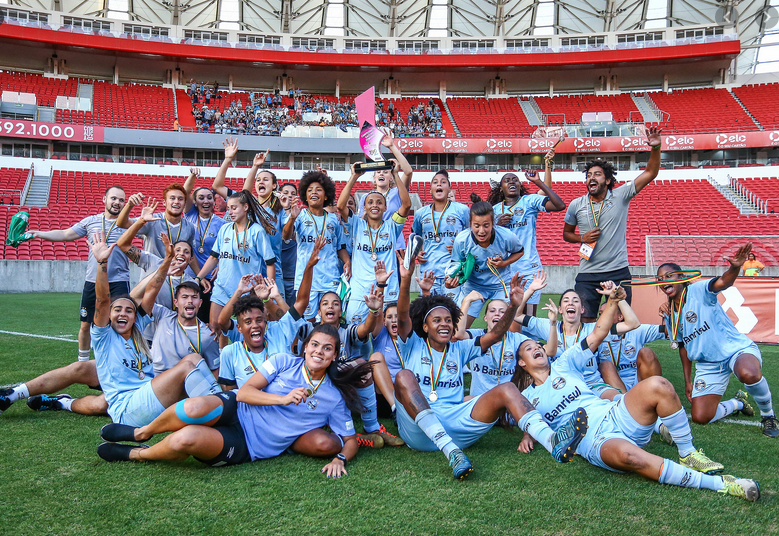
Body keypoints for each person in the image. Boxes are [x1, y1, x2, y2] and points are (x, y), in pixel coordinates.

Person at [513, 283, 760, 502]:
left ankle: (688, 453)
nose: (537, 347)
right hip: (594, 440)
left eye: (538, 345)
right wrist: (528, 434)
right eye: (530, 347)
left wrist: (613, 300)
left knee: (659, 384)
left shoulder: (564, 362)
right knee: (630, 456)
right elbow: (531, 422)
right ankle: (721, 484)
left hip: (612, 413)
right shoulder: (526, 398)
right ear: (522, 363)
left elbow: (600, 331)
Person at [393, 253, 589, 479]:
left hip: (456, 423)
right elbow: (403, 314)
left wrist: (514, 305)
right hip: (419, 431)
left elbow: (495, 335)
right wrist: (406, 278)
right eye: (437, 321)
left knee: (507, 389)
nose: (445, 324)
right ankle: (451, 452)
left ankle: (551, 440)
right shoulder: (413, 344)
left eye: (448, 320)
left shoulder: (461, 348)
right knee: (404, 376)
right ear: (425, 327)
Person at [97, 324, 369, 478]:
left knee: (185, 439)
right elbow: (244, 392)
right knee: (193, 407)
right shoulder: (285, 361)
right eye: (315, 345)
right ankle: (142, 432)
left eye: (327, 348)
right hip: (238, 408)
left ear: (334, 356)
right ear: (305, 346)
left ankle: (137, 454)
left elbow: (350, 439)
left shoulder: (333, 398)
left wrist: (340, 459)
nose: (319, 351)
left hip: (250, 445)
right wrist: (283, 398)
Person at [87, 231, 221, 428]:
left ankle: (63, 402)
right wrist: (102, 264)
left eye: (193, 298)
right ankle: (221, 409)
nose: (189, 302)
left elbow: (146, 296)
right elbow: (117, 298)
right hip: (138, 400)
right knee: (83, 371)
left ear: (201, 303)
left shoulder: (205, 333)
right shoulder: (108, 332)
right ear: (175, 302)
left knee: (192, 361)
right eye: (184, 297)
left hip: (150, 388)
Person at [658, 243, 778, 437]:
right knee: (701, 416)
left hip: (734, 350)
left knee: (748, 373)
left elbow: (723, 282)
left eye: (668, 276)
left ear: (681, 277)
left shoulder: (698, 290)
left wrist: (736, 267)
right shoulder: (669, 314)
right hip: (708, 365)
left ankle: (768, 415)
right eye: (660, 279)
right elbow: (682, 347)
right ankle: (739, 403)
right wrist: (688, 381)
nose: (664, 281)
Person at [295, 264, 404, 449]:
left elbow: (365, 328)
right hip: (315, 387)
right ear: (319, 312)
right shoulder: (308, 330)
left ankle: (372, 428)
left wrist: (373, 311)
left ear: (341, 312)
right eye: (325, 303)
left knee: (363, 366)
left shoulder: (346, 331)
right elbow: (289, 322)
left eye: (336, 304)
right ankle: (358, 436)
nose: (331, 306)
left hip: (344, 387)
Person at [562, 126, 662, 321]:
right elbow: (567, 234)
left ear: (607, 180)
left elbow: (650, 172)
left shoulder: (621, 196)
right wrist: (582, 238)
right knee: (584, 323)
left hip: (617, 271)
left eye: (597, 174)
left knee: (619, 322)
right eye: (589, 175)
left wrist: (656, 148)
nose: (591, 177)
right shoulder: (576, 204)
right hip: (587, 273)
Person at [25, 185, 131, 362]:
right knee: (85, 325)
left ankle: (118, 361)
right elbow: (66, 234)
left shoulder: (129, 223)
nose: (117, 203)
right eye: (114, 198)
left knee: (120, 324)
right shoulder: (90, 221)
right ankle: (82, 363)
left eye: (121, 200)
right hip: (93, 281)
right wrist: (38, 234)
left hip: (119, 281)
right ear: (105, 199)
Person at [214, 238, 322, 388]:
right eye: (247, 321)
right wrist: (239, 291)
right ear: (239, 327)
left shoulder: (278, 330)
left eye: (259, 319)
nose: (255, 325)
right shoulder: (231, 351)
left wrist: (309, 267)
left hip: (285, 403)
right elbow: (221, 321)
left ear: (265, 319)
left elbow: (301, 303)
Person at [513, 273, 639, 400]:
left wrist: (618, 297)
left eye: (576, 301)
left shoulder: (593, 329)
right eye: (566, 301)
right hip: (562, 385)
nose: (571, 303)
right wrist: (531, 290)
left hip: (591, 384)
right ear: (560, 309)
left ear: (582, 309)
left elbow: (633, 323)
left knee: (617, 400)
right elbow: (516, 315)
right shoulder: (550, 325)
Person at [337, 159, 410, 323]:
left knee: (388, 334)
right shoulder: (357, 224)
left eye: (379, 202)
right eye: (370, 202)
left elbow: (406, 204)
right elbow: (341, 206)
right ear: (364, 207)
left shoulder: (392, 226)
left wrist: (396, 174)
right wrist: (354, 177)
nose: (374, 205)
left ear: (385, 208)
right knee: (355, 334)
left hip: (388, 288)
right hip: (360, 289)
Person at [490, 164, 565, 316]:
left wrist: (538, 181)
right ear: (501, 188)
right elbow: (484, 238)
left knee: (529, 316)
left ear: (520, 185)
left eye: (515, 180)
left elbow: (560, 205)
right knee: (507, 315)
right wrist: (496, 226)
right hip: (504, 270)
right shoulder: (493, 210)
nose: (512, 182)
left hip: (529, 268)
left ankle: (530, 340)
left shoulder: (529, 201)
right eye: (507, 180)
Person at [196, 190, 277, 329]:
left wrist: (269, 287)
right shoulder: (225, 229)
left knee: (242, 328)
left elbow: (269, 263)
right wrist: (198, 278)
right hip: (222, 287)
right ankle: (220, 351)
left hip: (246, 290)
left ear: (245, 207)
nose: (230, 212)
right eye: (228, 209)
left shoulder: (257, 231)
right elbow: (214, 258)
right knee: (215, 326)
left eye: (234, 208)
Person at [282, 169, 350, 320]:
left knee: (330, 320)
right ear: (305, 195)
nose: (314, 192)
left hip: (330, 278)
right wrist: (292, 218)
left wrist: (347, 261)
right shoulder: (299, 215)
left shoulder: (333, 219)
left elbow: (340, 247)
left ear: (326, 196)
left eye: (319, 190)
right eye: (310, 190)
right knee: (307, 322)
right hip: (306, 279)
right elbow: (286, 235)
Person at [445, 201, 524, 327]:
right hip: (473, 286)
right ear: (470, 223)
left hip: (500, 285)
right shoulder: (461, 240)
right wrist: (451, 281)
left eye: (486, 225)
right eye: (476, 225)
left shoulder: (506, 236)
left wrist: (504, 263)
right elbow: (456, 265)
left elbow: (520, 251)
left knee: (512, 327)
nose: (481, 231)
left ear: (493, 223)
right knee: (457, 329)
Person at [412, 170, 470, 300]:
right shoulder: (420, 213)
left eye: (443, 182)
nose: (439, 184)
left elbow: (471, 237)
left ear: (449, 189)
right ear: (431, 189)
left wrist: (460, 247)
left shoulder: (462, 210)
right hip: (428, 272)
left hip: (453, 272)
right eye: (435, 182)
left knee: (453, 314)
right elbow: (416, 238)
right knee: (429, 313)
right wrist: (418, 253)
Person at [116, 184, 197, 274]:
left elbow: (190, 255)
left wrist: (199, 277)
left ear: (185, 204)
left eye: (180, 199)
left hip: (175, 279)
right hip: (151, 278)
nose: (176, 202)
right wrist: (129, 205)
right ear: (164, 202)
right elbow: (121, 223)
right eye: (172, 198)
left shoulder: (189, 227)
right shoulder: (151, 220)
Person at [182, 168, 226, 323]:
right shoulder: (190, 215)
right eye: (201, 198)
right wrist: (193, 176)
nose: (206, 201)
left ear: (214, 201)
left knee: (208, 319)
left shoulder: (222, 224)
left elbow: (226, 250)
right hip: (190, 275)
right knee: (189, 317)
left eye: (209, 198)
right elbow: (184, 192)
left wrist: (221, 265)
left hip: (211, 278)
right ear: (194, 201)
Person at [356, 133, 414, 250]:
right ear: (374, 177)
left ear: (391, 177)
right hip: (374, 243)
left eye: (385, 172)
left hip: (395, 245)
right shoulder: (366, 197)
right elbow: (360, 222)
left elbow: (408, 171)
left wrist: (392, 147)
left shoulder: (397, 192)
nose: (381, 173)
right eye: (378, 172)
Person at [597, 301, 665, 393]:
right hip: (613, 385)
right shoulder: (595, 337)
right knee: (605, 365)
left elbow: (669, 331)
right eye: (600, 314)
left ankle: (653, 395)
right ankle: (623, 404)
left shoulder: (636, 330)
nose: (602, 317)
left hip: (638, 380)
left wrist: (671, 313)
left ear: (620, 317)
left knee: (647, 352)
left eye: (607, 313)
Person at [278, 182, 299, 305]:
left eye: (293, 194)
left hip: (292, 275)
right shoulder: (272, 214)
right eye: (286, 193)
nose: (289, 196)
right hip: (275, 273)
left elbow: (292, 236)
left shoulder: (300, 216)